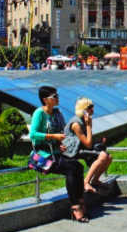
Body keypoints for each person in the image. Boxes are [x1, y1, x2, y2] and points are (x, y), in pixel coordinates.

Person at [29, 86, 87, 222]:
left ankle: (79, 201)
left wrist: (60, 142)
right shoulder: (39, 113)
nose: (57, 98)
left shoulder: (57, 113)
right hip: (43, 155)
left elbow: (63, 132)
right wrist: (53, 136)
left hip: (56, 153)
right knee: (71, 168)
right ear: (45, 100)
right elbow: (33, 134)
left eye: (57, 95)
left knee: (78, 166)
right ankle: (75, 206)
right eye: (54, 96)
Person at [63, 98, 112, 193]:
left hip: (81, 147)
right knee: (103, 156)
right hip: (72, 150)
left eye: (92, 107)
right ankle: (86, 182)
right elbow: (88, 144)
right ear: (83, 110)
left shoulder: (85, 120)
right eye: (90, 108)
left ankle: (95, 180)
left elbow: (87, 140)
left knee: (109, 157)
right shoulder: (76, 124)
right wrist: (89, 126)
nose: (92, 110)